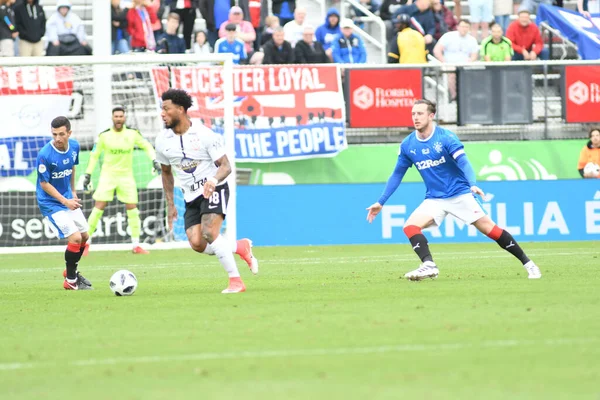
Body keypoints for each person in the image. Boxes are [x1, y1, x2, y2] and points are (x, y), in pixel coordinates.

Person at [366, 99, 542, 281]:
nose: (415, 118)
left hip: (460, 194)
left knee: (492, 231)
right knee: (410, 227)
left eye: (420, 113)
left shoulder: (445, 138)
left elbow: (463, 161)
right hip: (434, 198)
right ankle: (428, 265)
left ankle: (529, 264)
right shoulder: (408, 145)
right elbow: (397, 174)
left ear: (431, 116)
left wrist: (472, 183)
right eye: (413, 114)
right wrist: (381, 201)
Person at [155, 89, 259, 294]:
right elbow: (166, 173)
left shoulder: (205, 135)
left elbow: (226, 166)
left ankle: (236, 281)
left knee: (209, 233)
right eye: (162, 109)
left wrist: (213, 180)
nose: (162, 113)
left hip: (214, 188)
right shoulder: (162, 141)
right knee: (196, 243)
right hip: (190, 196)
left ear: (181, 109)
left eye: (166, 109)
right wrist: (170, 204)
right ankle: (240, 247)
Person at [83, 106, 160, 255]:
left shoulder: (132, 134)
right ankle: (85, 243)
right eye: (116, 116)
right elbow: (94, 155)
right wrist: (88, 174)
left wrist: (154, 160)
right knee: (98, 207)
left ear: (124, 118)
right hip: (108, 175)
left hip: (126, 176)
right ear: (112, 118)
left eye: (121, 116)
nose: (118, 119)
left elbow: (147, 146)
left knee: (132, 208)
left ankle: (136, 245)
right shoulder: (104, 136)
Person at [36, 116, 92, 290]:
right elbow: (44, 183)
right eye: (54, 135)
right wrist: (65, 201)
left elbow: (72, 168)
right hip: (51, 203)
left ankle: (71, 272)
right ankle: (70, 281)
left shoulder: (74, 146)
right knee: (75, 237)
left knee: (84, 236)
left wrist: (73, 191)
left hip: (68, 198)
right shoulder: (45, 155)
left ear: (69, 133)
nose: (58, 139)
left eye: (61, 134)